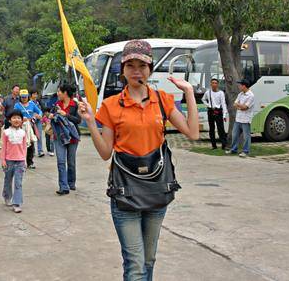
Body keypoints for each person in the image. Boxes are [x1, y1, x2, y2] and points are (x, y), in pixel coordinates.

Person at [78, 40, 199, 281]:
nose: (136, 71)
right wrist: (91, 122)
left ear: (150, 69)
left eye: (142, 65)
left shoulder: (162, 100)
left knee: (148, 259)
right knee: (135, 264)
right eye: (130, 65)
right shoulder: (111, 106)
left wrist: (189, 92)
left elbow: (193, 133)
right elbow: (105, 153)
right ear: (122, 70)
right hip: (126, 193)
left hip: (156, 190)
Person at [49, 84, 81, 195]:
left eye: (59, 92)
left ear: (65, 93)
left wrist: (65, 114)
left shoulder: (75, 105)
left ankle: (71, 182)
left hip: (72, 136)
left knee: (71, 162)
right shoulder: (57, 104)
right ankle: (63, 186)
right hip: (59, 136)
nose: (57, 94)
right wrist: (51, 117)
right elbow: (50, 115)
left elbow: (78, 120)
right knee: (61, 162)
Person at [0, 110, 27, 213]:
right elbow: (3, 148)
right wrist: (3, 160)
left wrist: (24, 161)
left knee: (18, 183)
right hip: (9, 161)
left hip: (20, 161)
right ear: (10, 120)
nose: (16, 120)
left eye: (18, 118)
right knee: (8, 180)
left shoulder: (23, 133)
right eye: (14, 118)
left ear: (21, 120)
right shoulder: (6, 132)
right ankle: (7, 196)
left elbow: (24, 148)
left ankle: (17, 203)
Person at [226, 79, 255, 158]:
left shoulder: (251, 95)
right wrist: (240, 106)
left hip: (246, 119)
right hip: (238, 118)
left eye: (240, 85)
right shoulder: (240, 94)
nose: (239, 86)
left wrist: (239, 106)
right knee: (234, 135)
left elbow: (245, 107)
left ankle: (245, 151)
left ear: (244, 86)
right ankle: (233, 149)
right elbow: (235, 104)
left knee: (246, 136)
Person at [14, 89, 42, 169]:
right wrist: (21, 118)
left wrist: (38, 116)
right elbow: (14, 114)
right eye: (22, 97)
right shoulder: (17, 105)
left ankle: (30, 162)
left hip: (31, 126)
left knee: (31, 144)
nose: (24, 99)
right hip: (20, 126)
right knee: (20, 144)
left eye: (25, 97)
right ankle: (20, 162)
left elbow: (39, 111)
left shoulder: (32, 104)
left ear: (28, 97)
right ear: (20, 97)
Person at [202, 78, 228, 150]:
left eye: (215, 83)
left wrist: (224, 114)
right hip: (210, 111)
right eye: (213, 83)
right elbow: (203, 99)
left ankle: (224, 144)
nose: (214, 84)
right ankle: (214, 145)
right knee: (211, 128)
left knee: (221, 129)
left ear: (218, 84)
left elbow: (223, 103)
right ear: (210, 84)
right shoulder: (208, 92)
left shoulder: (221, 93)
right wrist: (208, 105)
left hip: (218, 111)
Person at [30, 89, 45, 157]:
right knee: (31, 136)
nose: (35, 95)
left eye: (36, 94)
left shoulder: (39, 102)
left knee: (39, 135)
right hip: (30, 121)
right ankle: (32, 151)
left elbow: (41, 110)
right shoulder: (29, 102)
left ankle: (40, 150)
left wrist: (40, 115)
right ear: (31, 95)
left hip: (38, 121)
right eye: (34, 94)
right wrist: (33, 115)